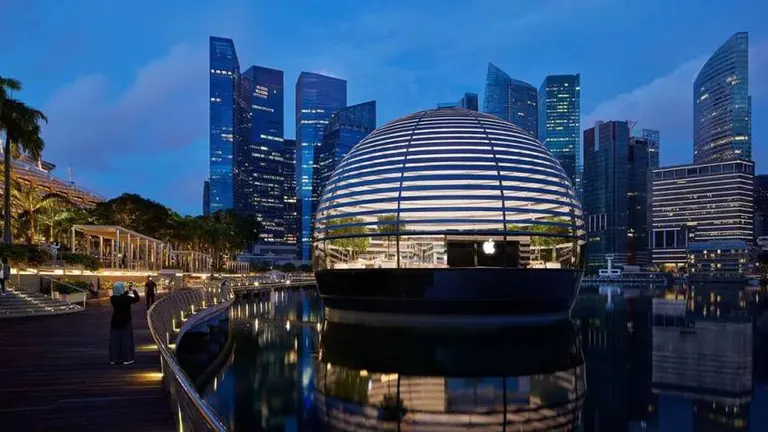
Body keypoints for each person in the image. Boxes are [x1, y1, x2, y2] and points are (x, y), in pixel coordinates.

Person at [109, 282, 140, 365]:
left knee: (115, 340)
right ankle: (126, 358)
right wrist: (133, 291)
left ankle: (114, 359)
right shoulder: (126, 298)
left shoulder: (112, 298)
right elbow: (137, 299)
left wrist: (125, 292)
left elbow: (121, 296)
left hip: (115, 321)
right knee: (126, 340)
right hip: (126, 320)